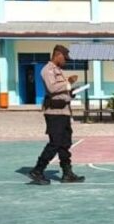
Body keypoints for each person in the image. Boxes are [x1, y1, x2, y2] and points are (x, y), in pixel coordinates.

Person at [27, 45, 85, 185]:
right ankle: (38, 170)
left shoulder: (58, 70)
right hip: (54, 113)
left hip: (64, 112)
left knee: (65, 143)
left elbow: (61, 92)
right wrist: (68, 84)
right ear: (58, 55)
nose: (65, 61)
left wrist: (71, 92)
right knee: (55, 143)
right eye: (64, 58)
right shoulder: (47, 70)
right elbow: (52, 88)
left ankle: (67, 173)